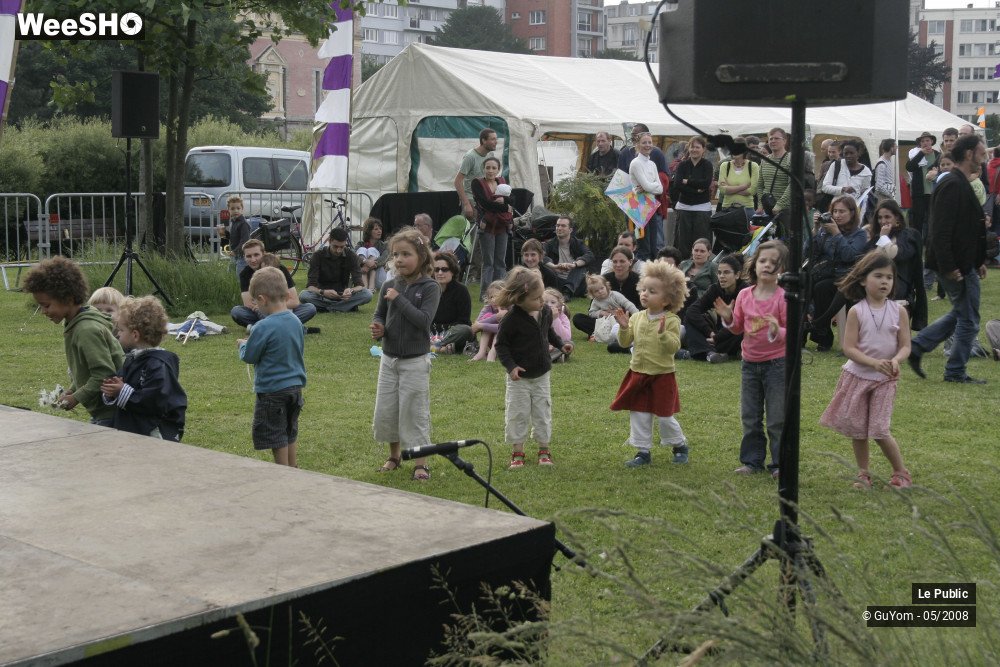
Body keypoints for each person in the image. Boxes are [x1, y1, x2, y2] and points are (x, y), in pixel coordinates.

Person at [820, 251, 912, 489]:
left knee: (880, 430)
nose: (884, 282)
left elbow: (905, 346)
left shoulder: (898, 311)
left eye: (889, 278)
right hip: (858, 376)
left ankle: (901, 472)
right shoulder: (856, 311)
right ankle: (863, 473)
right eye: (878, 276)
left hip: (885, 379)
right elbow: (848, 347)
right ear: (863, 280)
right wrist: (872, 363)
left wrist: (896, 361)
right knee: (858, 430)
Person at [908, 134, 989, 384]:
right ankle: (955, 371)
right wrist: (949, 266)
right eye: (981, 153)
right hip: (955, 265)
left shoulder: (959, 181)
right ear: (968, 155)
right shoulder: (952, 183)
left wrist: (978, 260)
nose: (984, 159)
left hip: (964, 263)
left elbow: (967, 227)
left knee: (962, 312)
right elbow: (940, 231)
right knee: (969, 319)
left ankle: (918, 346)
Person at [371, 227, 441, 480]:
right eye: (395, 255)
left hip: (415, 362)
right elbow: (380, 313)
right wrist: (378, 326)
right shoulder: (389, 285)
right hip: (389, 359)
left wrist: (399, 299)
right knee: (388, 410)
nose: (399, 259)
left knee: (414, 411)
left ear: (421, 257)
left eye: (406, 254)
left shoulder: (430, 287)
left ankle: (420, 463)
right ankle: (394, 456)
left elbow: (423, 321)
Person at [715, 240, 789, 478]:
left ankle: (779, 463)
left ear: (783, 269)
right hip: (749, 364)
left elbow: (794, 332)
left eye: (774, 262)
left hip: (776, 364)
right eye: (763, 260)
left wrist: (780, 330)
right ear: (754, 264)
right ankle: (752, 460)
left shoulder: (783, 297)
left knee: (777, 417)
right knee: (750, 415)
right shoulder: (745, 294)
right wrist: (728, 318)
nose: (767, 265)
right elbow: (738, 328)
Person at [24, 256, 125, 426]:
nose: (43, 311)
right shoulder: (76, 322)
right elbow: (87, 370)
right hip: (105, 410)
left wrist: (76, 398)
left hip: (113, 413)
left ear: (68, 299)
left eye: (46, 305)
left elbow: (104, 374)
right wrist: (72, 389)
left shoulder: (86, 330)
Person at [611, 261, 691, 467]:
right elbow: (625, 341)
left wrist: (663, 334)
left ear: (667, 299)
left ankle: (679, 445)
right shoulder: (637, 317)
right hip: (637, 373)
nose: (645, 294)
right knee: (639, 413)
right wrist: (622, 327)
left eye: (652, 291)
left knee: (665, 416)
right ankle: (642, 451)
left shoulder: (672, 320)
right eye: (644, 289)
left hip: (662, 375)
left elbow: (673, 346)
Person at [495, 267, 573, 469]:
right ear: (519, 299)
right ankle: (517, 452)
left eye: (542, 297)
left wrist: (559, 344)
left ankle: (544, 450)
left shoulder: (545, 311)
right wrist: (511, 367)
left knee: (542, 412)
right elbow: (501, 346)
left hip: (542, 374)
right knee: (517, 413)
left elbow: (547, 333)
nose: (542, 302)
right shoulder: (510, 320)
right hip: (519, 379)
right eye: (536, 298)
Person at [237, 267, 306, 467]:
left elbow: (250, 356)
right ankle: (293, 467)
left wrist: (243, 345)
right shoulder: (296, 321)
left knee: (276, 435)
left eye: (255, 302)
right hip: (295, 388)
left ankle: (282, 472)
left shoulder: (262, 326)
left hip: (272, 391)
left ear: (262, 299)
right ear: (285, 294)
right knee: (289, 430)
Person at [100, 296, 187, 442]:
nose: (118, 334)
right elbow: (122, 385)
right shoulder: (132, 358)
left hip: (152, 433)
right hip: (133, 429)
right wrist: (112, 391)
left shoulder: (158, 365)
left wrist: (122, 391)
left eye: (121, 329)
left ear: (135, 335)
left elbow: (155, 400)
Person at [808, 195, 869, 351]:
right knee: (820, 287)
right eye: (834, 211)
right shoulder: (825, 230)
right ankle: (823, 337)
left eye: (842, 211)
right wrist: (815, 231)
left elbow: (849, 256)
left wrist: (837, 234)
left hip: (850, 277)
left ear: (852, 213)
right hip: (829, 275)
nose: (837, 215)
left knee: (843, 290)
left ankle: (817, 324)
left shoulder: (859, 234)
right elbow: (809, 253)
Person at [867, 200, 927, 330]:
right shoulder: (876, 238)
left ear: (897, 217)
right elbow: (870, 262)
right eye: (880, 218)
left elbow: (898, 255)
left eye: (887, 217)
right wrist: (880, 238)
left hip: (900, 286)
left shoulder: (909, 236)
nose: (883, 221)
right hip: (875, 284)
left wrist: (884, 238)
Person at [232, 239, 317, 329]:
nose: (253, 260)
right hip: (261, 311)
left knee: (309, 308)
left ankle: (263, 326)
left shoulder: (280, 269)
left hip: (282, 310)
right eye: (248, 256)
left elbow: (294, 302)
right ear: (244, 257)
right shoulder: (245, 274)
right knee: (237, 312)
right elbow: (249, 304)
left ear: (263, 253)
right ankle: (286, 325)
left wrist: (273, 306)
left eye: (256, 255)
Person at [684, 253, 747, 363]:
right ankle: (711, 353)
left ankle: (707, 350)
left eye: (726, 272)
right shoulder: (715, 289)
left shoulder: (745, 291)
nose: (722, 276)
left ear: (737, 275)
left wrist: (717, 338)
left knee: (743, 327)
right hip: (717, 335)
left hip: (732, 336)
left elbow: (741, 322)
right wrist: (710, 333)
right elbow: (692, 311)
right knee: (689, 318)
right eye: (719, 273)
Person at [299, 228, 373, 313]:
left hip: (344, 296)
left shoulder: (351, 255)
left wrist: (350, 290)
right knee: (304, 295)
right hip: (322, 295)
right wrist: (323, 292)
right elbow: (310, 286)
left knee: (367, 294)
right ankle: (342, 307)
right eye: (335, 246)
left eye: (342, 247)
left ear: (345, 243)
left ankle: (327, 308)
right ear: (329, 241)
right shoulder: (317, 256)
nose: (338, 250)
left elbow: (359, 285)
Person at [473, 156, 513, 301]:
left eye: (493, 168)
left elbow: (513, 199)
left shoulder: (501, 181)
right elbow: (484, 204)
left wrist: (507, 201)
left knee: (500, 262)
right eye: (487, 167)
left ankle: (500, 293)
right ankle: (485, 294)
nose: (490, 171)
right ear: (483, 169)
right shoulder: (477, 183)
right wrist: (505, 205)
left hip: (502, 226)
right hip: (487, 227)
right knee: (488, 262)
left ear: (498, 169)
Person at [629, 131, 666, 261]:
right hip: (639, 208)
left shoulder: (652, 164)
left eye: (649, 142)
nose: (647, 145)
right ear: (638, 144)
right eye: (644, 142)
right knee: (643, 246)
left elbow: (660, 189)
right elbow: (649, 186)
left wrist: (649, 187)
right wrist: (650, 186)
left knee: (653, 246)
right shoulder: (636, 163)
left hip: (651, 206)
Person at [430, 251, 474, 354]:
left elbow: (464, 321)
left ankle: (433, 346)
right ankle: (442, 348)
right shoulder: (429, 290)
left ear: (453, 271)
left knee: (465, 330)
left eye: (444, 269)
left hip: (451, 332)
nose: (440, 273)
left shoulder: (461, 291)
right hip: (431, 331)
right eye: (436, 269)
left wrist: (442, 330)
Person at [571, 273, 638, 338]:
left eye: (602, 288)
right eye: (596, 291)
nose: (600, 291)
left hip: (619, 322)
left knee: (627, 324)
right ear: (592, 293)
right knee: (578, 318)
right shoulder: (595, 301)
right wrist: (601, 313)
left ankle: (609, 335)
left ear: (606, 286)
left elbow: (628, 304)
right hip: (603, 324)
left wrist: (637, 315)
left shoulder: (614, 295)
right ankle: (599, 334)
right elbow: (591, 313)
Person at [543, 215, 594, 299]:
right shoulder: (549, 244)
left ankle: (567, 291)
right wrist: (554, 266)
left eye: (563, 226)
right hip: (557, 281)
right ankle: (566, 292)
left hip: (576, 282)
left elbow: (590, 255)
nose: (559, 228)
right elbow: (541, 256)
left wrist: (574, 264)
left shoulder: (578, 243)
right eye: (557, 225)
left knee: (581, 267)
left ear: (570, 230)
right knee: (545, 267)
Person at [755, 128, 793, 236]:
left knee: (785, 243)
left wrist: (779, 205)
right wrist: (760, 205)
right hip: (767, 209)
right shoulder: (764, 160)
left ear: (785, 141)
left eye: (776, 138)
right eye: (770, 139)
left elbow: (792, 185)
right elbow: (760, 184)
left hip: (784, 210)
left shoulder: (790, 159)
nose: (773, 141)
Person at [455, 128, 498, 221]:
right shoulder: (470, 157)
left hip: (485, 199)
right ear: (484, 140)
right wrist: (466, 204)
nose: (496, 142)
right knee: (471, 231)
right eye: (493, 139)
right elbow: (457, 181)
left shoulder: (490, 155)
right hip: (472, 200)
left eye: (496, 139)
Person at [905, 131, 940, 242]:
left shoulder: (937, 154)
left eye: (927, 140)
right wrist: (921, 154)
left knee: (932, 220)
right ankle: (917, 242)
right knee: (917, 220)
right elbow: (909, 167)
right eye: (923, 141)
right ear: (920, 143)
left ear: (932, 142)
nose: (925, 143)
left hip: (933, 193)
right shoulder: (916, 154)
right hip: (919, 193)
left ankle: (929, 242)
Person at [820, 140, 872, 206]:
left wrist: (861, 193)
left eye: (851, 153)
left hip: (855, 210)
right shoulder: (836, 165)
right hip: (837, 208)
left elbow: (866, 195)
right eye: (846, 153)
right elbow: (825, 187)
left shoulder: (866, 172)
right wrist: (842, 189)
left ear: (858, 153)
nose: (848, 156)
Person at [717, 139, 759, 217]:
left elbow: (753, 191)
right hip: (727, 209)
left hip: (747, 210)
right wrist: (743, 187)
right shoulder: (725, 165)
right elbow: (722, 190)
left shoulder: (753, 166)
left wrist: (730, 189)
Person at [470, 280, 506, 362]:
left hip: (508, 343)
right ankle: (481, 352)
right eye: (491, 297)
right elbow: (475, 326)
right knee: (487, 317)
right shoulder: (487, 308)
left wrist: (482, 325)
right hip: (491, 341)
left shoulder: (509, 309)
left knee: (501, 325)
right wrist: (495, 317)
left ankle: (492, 353)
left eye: (497, 296)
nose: (493, 300)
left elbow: (504, 328)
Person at [219, 195, 251, 275]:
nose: (236, 211)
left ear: (242, 209)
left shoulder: (243, 223)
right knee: (230, 275)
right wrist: (223, 233)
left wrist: (235, 251)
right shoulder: (233, 222)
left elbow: (245, 240)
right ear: (228, 210)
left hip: (242, 256)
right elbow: (232, 237)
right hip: (234, 254)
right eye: (232, 209)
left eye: (238, 208)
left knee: (239, 276)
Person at [357, 217, 388, 291]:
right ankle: (367, 287)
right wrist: (365, 261)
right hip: (363, 274)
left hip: (378, 279)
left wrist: (367, 267)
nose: (379, 231)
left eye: (380, 229)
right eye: (376, 229)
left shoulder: (384, 246)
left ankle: (369, 286)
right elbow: (354, 257)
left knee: (371, 250)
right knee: (362, 249)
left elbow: (383, 259)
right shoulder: (360, 244)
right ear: (369, 231)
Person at [543, 288, 572, 362]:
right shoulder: (538, 315)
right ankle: (553, 357)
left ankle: (550, 357)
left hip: (557, 344)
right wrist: (547, 345)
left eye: (553, 302)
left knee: (570, 344)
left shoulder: (563, 317)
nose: (549, 305)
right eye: (545, 302)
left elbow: (565, 337)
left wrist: (555, 319)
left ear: (559, 305)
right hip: (542, 344)